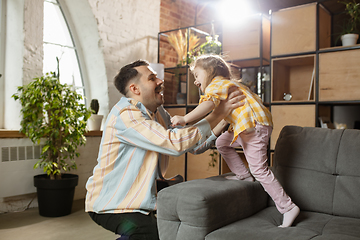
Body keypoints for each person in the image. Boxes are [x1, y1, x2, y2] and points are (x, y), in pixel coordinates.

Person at [85, 59, 245, 240]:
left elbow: (193, 145)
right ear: (135, 89)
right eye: (152, 78)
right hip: (112, 203)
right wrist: (218, 113)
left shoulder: (159, 113)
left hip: (142, 200)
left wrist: (223, 121)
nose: (161, 81)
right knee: (148, 234)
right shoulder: (127, 115)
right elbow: (174, 143)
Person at [171, 55, 300, 228]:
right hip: (246, 127)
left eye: (196, 76)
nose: (195, 81)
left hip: (253, 126)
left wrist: (185, 119)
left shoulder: (217, 83)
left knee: (259, 169)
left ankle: (288, 207)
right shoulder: (229, 85)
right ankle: (244, 176)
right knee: (222, 143)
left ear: (210, 72)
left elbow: (208, 105)